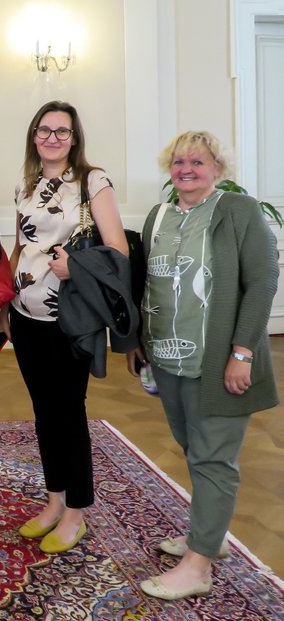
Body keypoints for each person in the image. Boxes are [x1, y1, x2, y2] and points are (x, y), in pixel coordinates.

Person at [126, 131, 278, 600]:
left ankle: (199, 565)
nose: (186, 168)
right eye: (178, 161)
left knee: (213, 457)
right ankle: (207, 535)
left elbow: (263, 281)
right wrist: (139, 343)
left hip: (219, 361)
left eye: (197, 161)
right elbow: (148, 283)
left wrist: (242, 353)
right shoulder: (159, 215)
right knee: (194, 447)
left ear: (218, 167)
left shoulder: (237, 211)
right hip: (169, 358)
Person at [0, 101, 128, 554]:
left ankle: (76, 513)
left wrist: (77, 267)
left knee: (69, 414)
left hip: (70, 320)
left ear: (74, 138)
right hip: (28, 320)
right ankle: (53, 501)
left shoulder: (92, 181)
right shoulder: (24, 184)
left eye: (62, 132)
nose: (52, 138)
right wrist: (5, 311)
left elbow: (118, 250)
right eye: (44, 130)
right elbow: (21, 249)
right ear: (34, 136)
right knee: (45, 413)